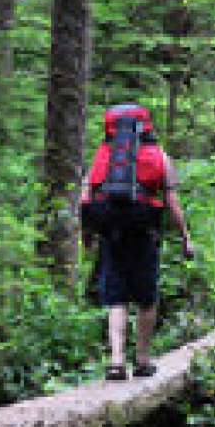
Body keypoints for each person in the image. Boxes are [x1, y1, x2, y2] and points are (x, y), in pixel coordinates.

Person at [80, 104, 194, 381]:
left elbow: (86, 197)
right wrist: (185, 238)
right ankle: (142, 359)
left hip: (111, 230)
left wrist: (87, 235)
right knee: (146, 297)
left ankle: (117, 361)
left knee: (116, 297)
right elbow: (172, 202)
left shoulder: (104, 155)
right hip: (145, 230)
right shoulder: (159, 156)